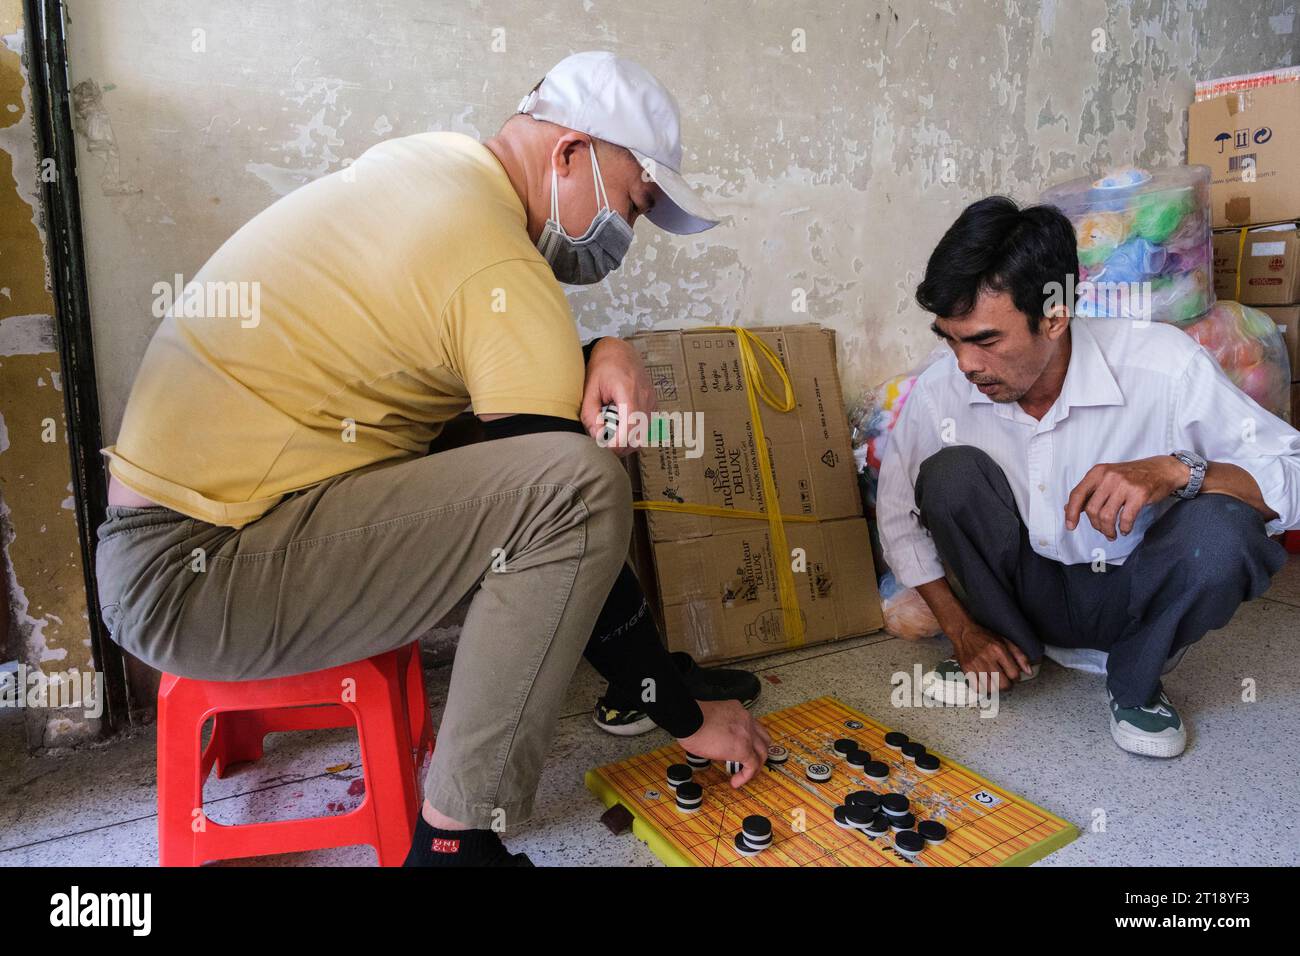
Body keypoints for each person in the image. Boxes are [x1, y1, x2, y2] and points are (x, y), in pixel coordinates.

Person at [95, 51, 769, 867]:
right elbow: (559, 498)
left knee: (529, 452)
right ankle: (454, 843)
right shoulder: (496, 264)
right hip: (200, 577)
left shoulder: (432, 173)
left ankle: (645, 674)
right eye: (633, 203)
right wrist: (684, 718)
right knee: (581, 486)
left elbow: (504, 418)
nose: (626, 238)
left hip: (177, 547)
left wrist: (603, 345)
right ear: (569, 154)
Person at [877, 196, 1299, 758]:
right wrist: (962, 630)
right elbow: (897, 514)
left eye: (985, 340)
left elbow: (1292, 476)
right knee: (948, 475)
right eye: (949, 338)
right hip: (1021, 593)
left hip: (1132, 592)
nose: (965, 365)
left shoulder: (1163, 366)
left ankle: (1136, 681)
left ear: (1054, 317)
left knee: (1225, 531)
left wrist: (1177, 471)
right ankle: (1007, 648)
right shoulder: (942, 390)